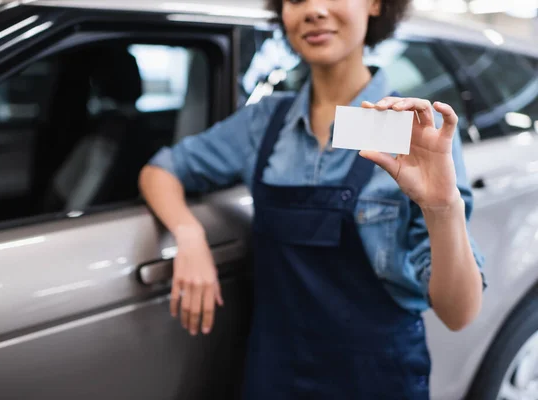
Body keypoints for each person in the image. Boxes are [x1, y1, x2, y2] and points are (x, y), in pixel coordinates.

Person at [138, 0, 486, 398]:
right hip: (275, 372)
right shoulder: (264, 121)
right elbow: (160, 170)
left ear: (375, 4)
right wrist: (189, 235)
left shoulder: (412, 133)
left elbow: (458, 315)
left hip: (376, 378)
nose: (314, 10)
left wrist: (442, 209)